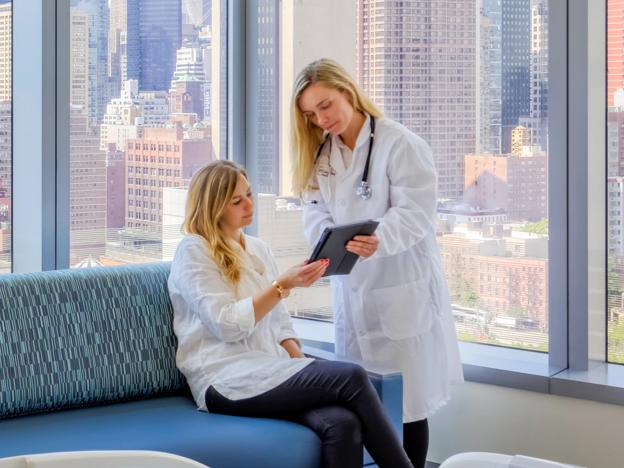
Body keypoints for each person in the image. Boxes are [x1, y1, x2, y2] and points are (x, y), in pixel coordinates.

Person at [168, 160, 413, 468]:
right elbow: (226, 325)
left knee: (342, 423)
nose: (249, 204)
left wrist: (299, 361)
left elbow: (279, 322)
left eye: (249, 194)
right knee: (351, 375)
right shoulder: (194, 251)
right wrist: (282, 285)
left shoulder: (257, 248)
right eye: (236, 201)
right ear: (213, 206)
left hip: (269, 369)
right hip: (225, 379)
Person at [291, 58, 464, 467]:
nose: (321, 119)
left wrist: (378, 239)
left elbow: (417, 212)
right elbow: (313, 208)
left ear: (348, 92)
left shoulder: (399, 143)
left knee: (406, 405)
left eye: (326, 106)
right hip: (351, 288)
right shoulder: (322, 154)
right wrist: (325, 242)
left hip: (399, 284)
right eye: (311, 115)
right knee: (365, 397)